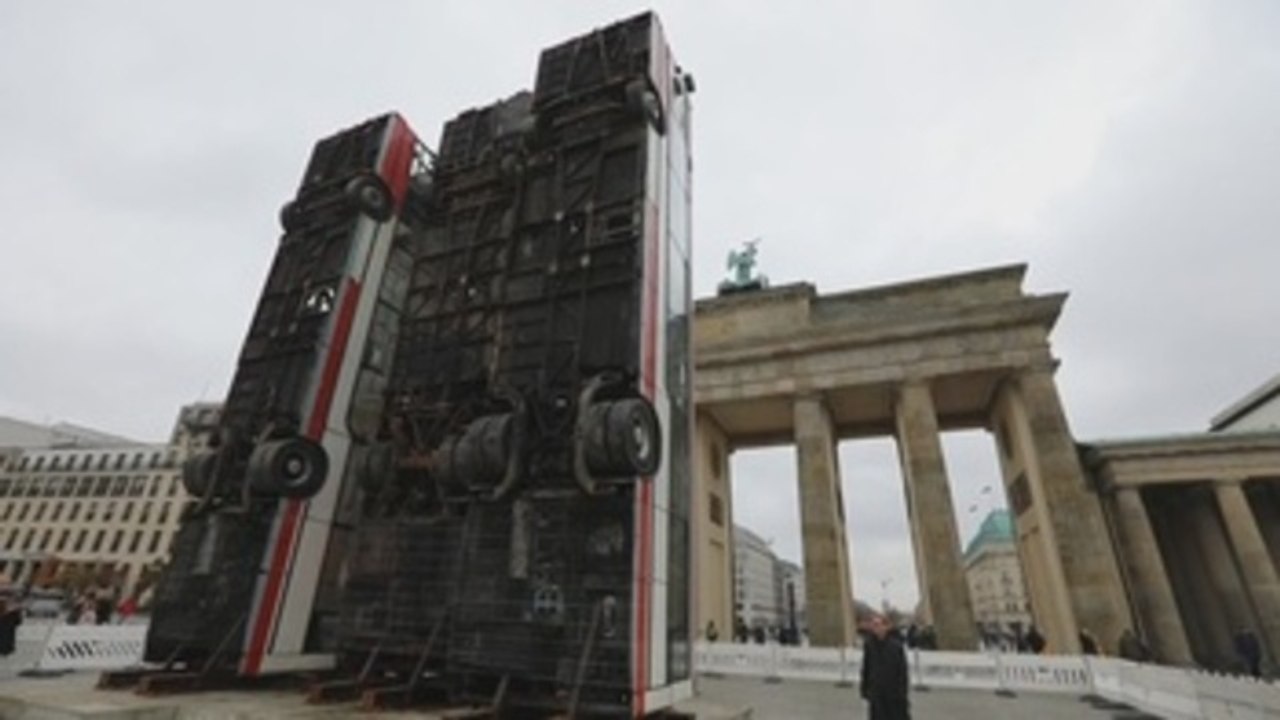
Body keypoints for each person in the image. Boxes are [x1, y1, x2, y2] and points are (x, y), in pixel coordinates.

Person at [860, 614, 910, 720]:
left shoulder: (896, 646)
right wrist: (864, 688)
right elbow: (866, 667)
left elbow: (902, 671)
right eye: (874, 625)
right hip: (876, 693)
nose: (876, 628)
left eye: (878, 624)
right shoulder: (869, 645)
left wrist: (902, 692)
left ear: (886, 627)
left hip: (893, 693)